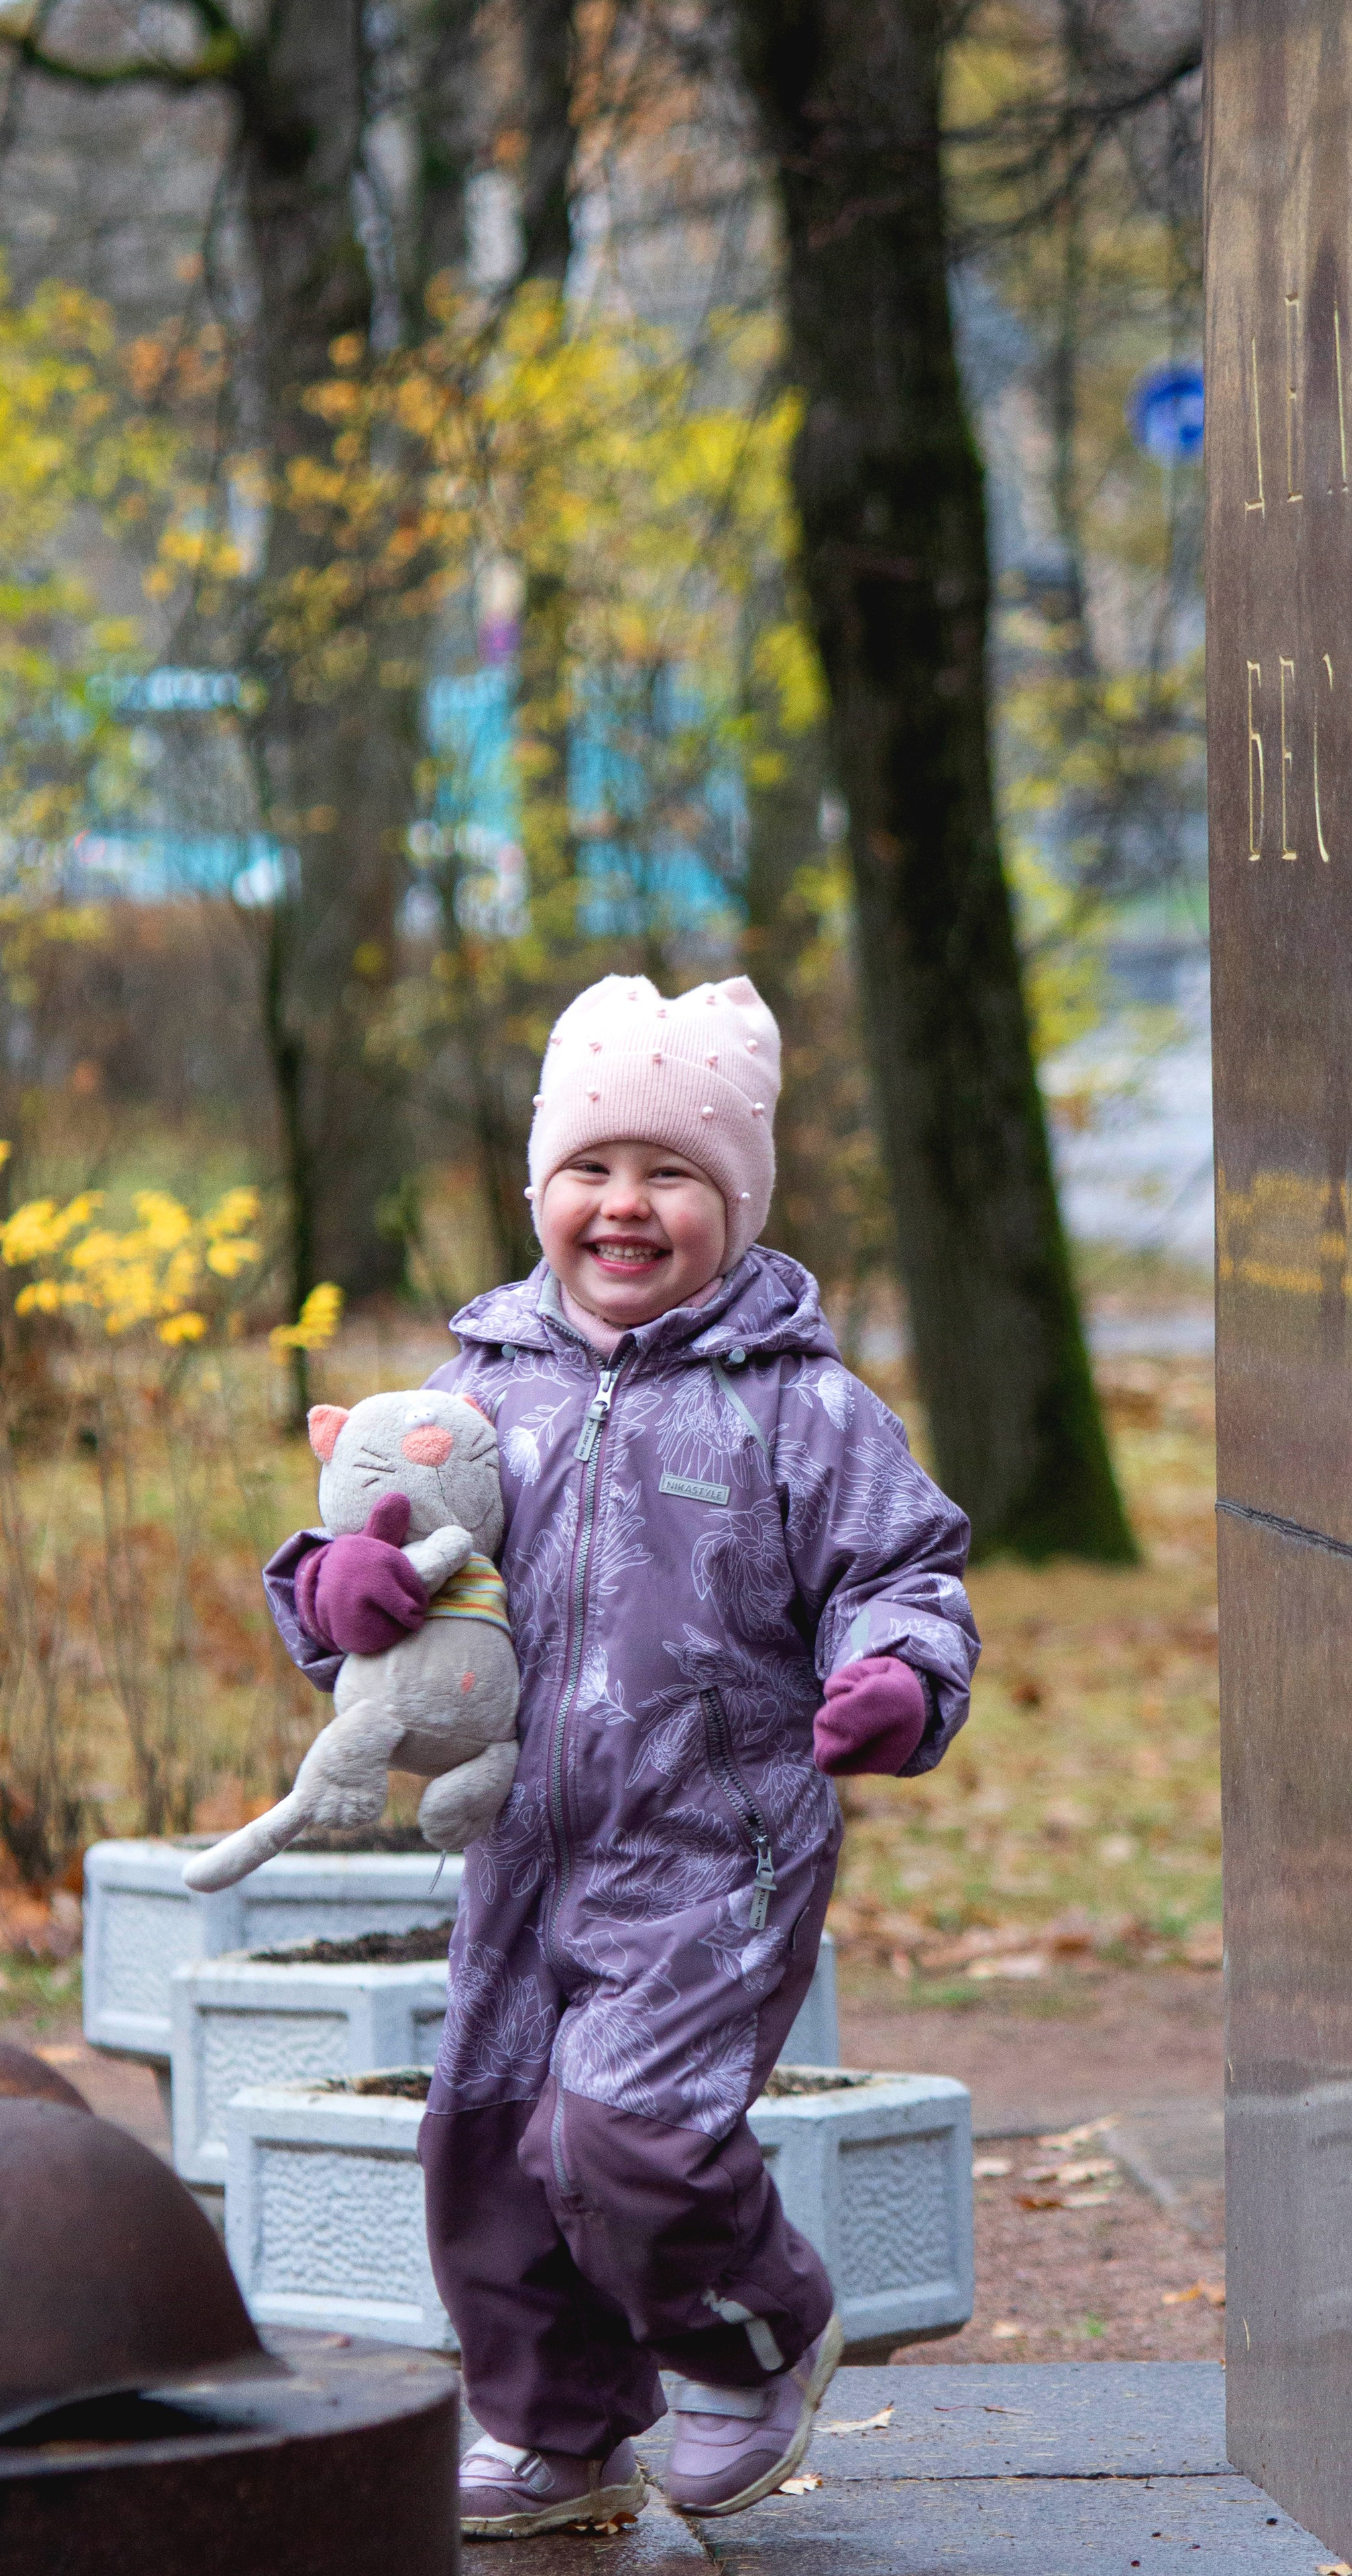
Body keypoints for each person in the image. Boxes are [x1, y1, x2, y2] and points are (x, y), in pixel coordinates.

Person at [262, 974, 979, 2537]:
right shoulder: (472, 1392)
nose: (625, 1203)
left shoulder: (803, 1407)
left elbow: (901, 1577)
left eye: (672, 1173)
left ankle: (754, 2336)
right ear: (541, 1191)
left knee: (627, 2131)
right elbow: (365, 1550)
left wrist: (893, 1680)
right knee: (489, 2136)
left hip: (717, 1842)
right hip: (519, 1836)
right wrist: (339, 1591)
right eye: (591, 1168)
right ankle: (556, 2430)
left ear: (736, 1198)